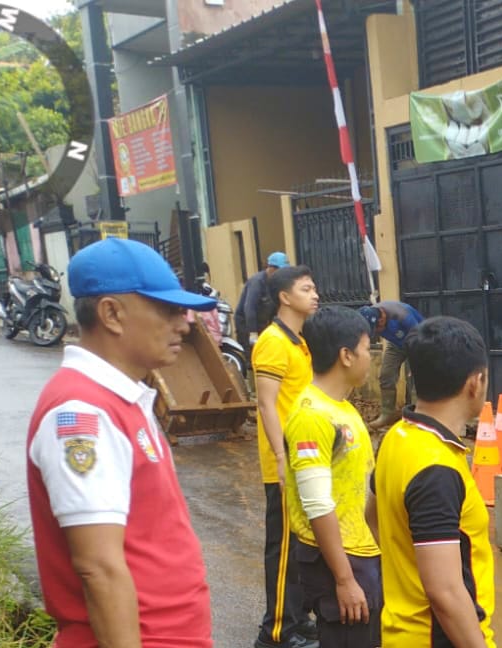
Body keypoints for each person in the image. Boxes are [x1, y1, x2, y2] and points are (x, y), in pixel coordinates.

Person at [25, 237, 216, 646]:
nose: (184, 324)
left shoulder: (120, 398)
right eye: (168, 310)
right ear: (111, 313)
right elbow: (99, 567)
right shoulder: (83, 413)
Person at [376, 317, 496, 648]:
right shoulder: (437, 469)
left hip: (401, 632)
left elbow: (374, 518)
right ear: (475, 383)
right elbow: (445, 592)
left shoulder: (397, 437)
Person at [284, 306, 382, 648]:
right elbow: (316, 503)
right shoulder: (311, 416)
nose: (370, 357)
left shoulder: (344, 409)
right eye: (367, 348)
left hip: (359, 551)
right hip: (338, 560)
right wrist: (343, 579)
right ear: (346, 355)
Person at [252, 264, 321, 648]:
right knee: (283, 550)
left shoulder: (298, 341)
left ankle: (296, 618)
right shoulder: (273, 342)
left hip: (301, 457)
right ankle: (276, 631)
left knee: (300, 546)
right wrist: (280, 456)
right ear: (284, 297)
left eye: (314, 288)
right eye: (306, 289)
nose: (315, 295)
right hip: (284, 461)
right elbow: (266, 403)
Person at [358, 300, 425, 430]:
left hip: (418, 342)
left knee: (419, 377)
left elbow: (420, 337)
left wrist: (418, 360)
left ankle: (419, 415)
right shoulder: (369, 315)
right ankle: (387, 413)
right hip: (396, 345)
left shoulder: (402, 315)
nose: (377, 332)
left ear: (382, 319)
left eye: (377, 329)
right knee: (386, 375)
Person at [238, 252, 290, 348]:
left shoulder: (276, 283)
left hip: (264, 323)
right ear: (271, 269)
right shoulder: (257, 282)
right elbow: (249, 307)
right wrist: (253, 332)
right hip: (247, 325)